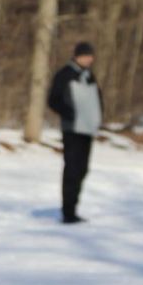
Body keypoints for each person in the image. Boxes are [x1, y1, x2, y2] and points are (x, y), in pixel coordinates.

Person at [48, 41, 103, 224]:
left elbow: (97, 99)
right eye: (85, 55)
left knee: (83, 169)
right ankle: (68, 212)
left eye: (90, 56)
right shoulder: (65, 74)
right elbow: (53, 99)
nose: (88, 59)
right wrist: (69, 113)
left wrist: (98, 117)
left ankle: (74, 207)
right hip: (72, 129)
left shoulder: (89, 76)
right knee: (71, 169)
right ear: (77, 56)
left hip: (87, 129)